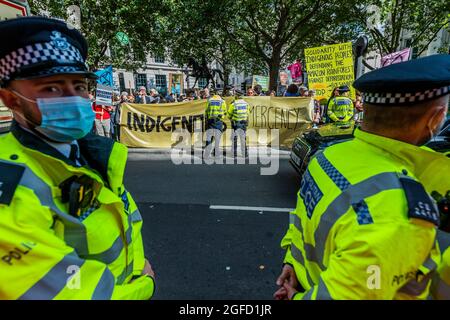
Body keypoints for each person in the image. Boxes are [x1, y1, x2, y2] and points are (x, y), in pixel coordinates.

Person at [0, 16, 155, 300]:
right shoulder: (9, 187)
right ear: (12, 100)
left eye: (80, 86)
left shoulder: (91, 154)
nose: (73, 97)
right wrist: (144, 285)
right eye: (52, 88)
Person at [274, 54, 450, 300]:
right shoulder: (397, 213)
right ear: (435, 118)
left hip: (306, 280)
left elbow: (302, 220)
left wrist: (291, 262)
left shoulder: (327, 157)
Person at [204, 92, 227, 157]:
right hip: (218, 121)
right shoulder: (222, 101)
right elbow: (225, 112)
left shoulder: (210, 100)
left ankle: (206, 154)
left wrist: (207, 118)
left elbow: (206, 111)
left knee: (209, 137)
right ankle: (216, 153)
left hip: (210, 121)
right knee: (217, 138)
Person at [228, 90, 249, 158]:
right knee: (243, 139)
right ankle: (245, 154)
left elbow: (229, 115)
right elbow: (247, 114)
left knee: (234, 139)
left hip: (236, 124)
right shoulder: (246, 104)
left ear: (236, 95)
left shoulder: (233, 104)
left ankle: (234, 154)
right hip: (243, 123)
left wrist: (231, 119)